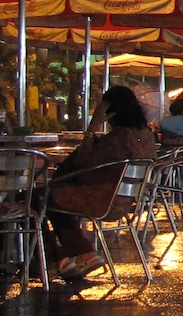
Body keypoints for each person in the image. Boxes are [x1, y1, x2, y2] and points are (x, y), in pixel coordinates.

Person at [45, 85, 157, 281]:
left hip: (103, 200)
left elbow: (83, 163)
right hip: (126, 200)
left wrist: (92, 127)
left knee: (43, 197)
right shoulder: (146, 136)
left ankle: (62, 256)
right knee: (51, 196)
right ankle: (72, 255)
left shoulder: (117, 138)